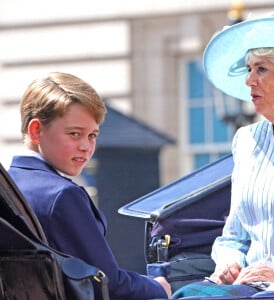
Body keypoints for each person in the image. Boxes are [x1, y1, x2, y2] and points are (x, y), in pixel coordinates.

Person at [8, 72, 171, 300]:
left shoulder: (9, 187)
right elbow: (108, 283)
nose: (86, 146)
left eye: (92, 136)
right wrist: (159, 287)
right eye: (74, 134)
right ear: (36, 130)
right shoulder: (62, 195)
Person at [173, 11, 274, 298]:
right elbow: (233, 236)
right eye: (248, 70)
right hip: (248, 288)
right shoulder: (247, 141)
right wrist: (230, 262)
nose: (249, 82)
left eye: (261, 69)